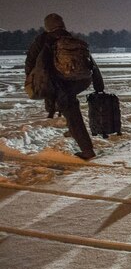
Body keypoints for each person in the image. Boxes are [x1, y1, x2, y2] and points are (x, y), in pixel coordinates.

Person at [25, 13, 103, 160]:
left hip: (58, 83)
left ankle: (87, 150)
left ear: (47, 26)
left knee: (71, 111)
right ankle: (73, 131)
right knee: (68, 106)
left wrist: (32, 79)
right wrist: (99, 84)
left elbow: (30, 61)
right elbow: (91, 62)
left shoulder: (43, 40)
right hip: (79, 81)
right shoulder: (71, 38)